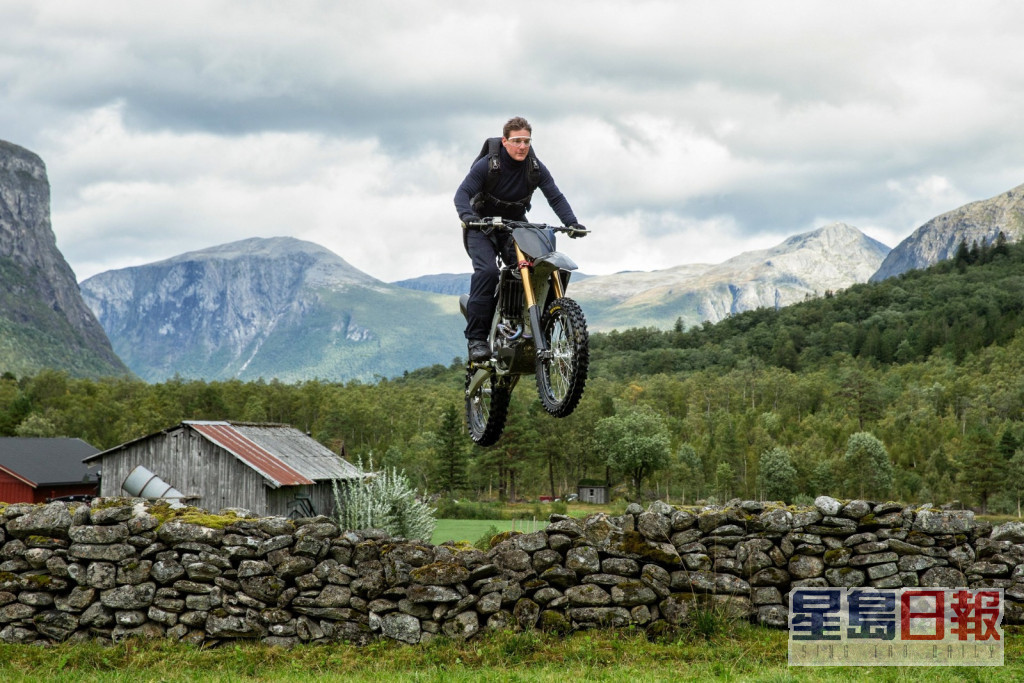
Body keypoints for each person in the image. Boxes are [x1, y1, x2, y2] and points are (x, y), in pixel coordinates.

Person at [454, 116, 586, 362]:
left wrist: (572, 223)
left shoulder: (535, 167)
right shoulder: (488, 165)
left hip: (514, 225)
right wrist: (468, 216)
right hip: (481, 224)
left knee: (533, 268)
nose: (522, 146)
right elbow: (462, 193)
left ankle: (526, 325)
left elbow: (554, 196)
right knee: (487, 273)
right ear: (505, 142)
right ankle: (477, 340)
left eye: (526, 141)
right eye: (517, 141)